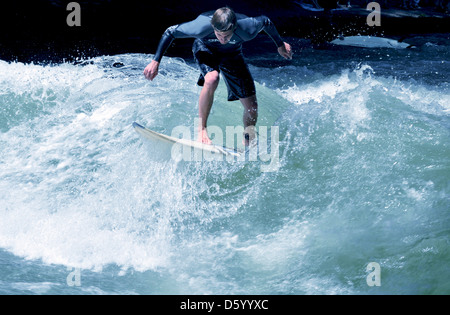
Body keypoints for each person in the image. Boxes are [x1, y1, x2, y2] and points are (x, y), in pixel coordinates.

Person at [143, 7, 293, 146]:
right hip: (205, 49)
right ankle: (201, 129)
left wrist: (280, 44)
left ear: (234, 28)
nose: (222, 39)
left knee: (252, 107)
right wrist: (155, 61)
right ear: (213, 28)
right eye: (218, 34)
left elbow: (266, 22)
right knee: (212, 78)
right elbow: (170, 32)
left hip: (232, 55)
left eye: (226, 35)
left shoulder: (248, 28)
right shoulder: (201, 27)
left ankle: (248, 140)